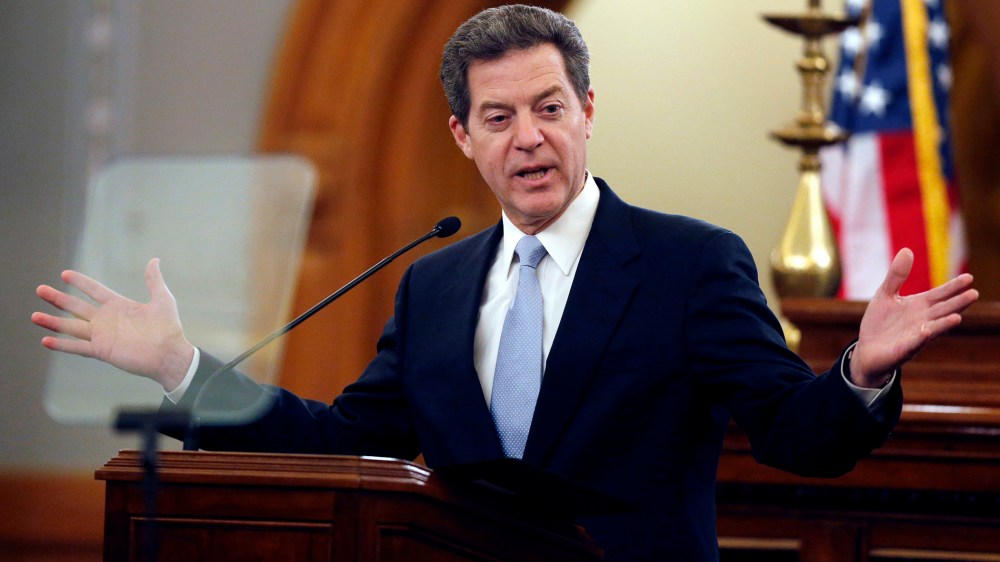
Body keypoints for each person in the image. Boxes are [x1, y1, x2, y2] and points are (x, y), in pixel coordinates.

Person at [32, 5, 979, 561]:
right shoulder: (434, 286)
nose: (528, 136)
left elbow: (795, 436)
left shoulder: (692, 262)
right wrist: (181, 367)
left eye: (549, 108)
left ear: (588, 112)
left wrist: (860, 371)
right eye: (499, 116)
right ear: (464, 136)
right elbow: (341, 443)